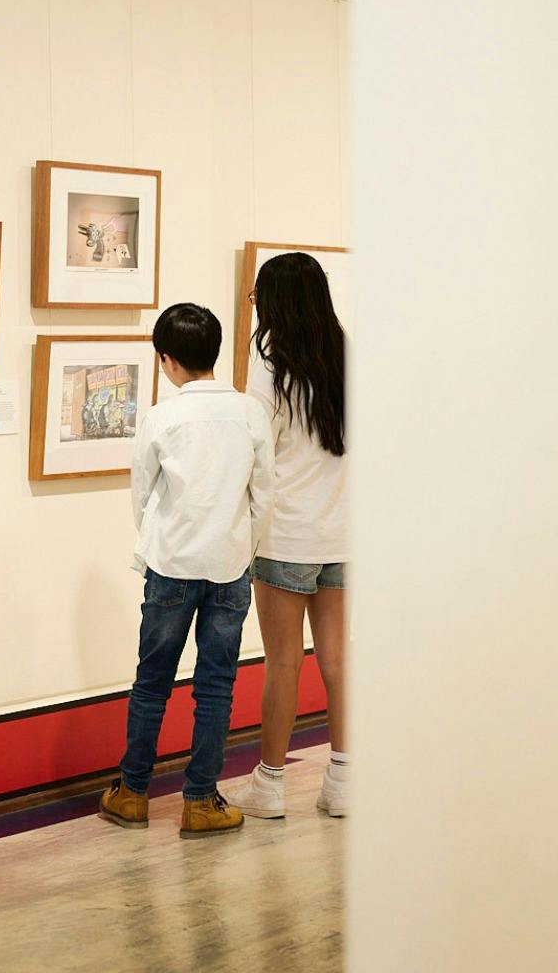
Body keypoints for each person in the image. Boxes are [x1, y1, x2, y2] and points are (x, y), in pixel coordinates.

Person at [99, 303, 274, 838]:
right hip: (229, 566)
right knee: (216, 686)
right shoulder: (249, 413)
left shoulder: (162, 416)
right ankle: (201, 800)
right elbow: (263, 495)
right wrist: (246, 547)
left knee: (152, 683)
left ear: (167, 361)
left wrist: (158, 543)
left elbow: (141, 494)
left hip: (171, 564)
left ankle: (132, 793)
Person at [227, 252, 350, 819]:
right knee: (337, 659)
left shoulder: (269, 361)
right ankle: (344, 781)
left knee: (282, 662)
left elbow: (257, 448)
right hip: (345, 533)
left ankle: (271, 785)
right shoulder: (351, 354)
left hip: (287, 536)